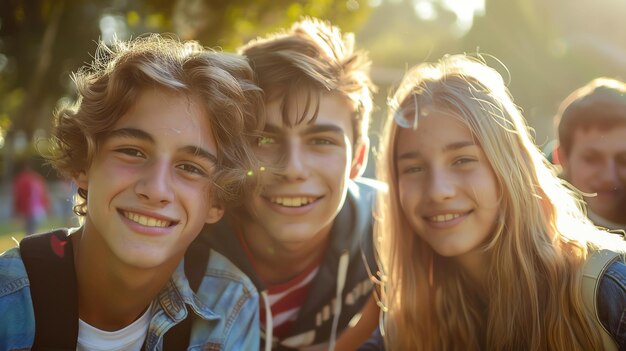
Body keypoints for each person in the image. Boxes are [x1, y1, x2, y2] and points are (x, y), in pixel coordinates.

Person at [0, 34, 263, 350]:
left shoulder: (227, 305)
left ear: (216, 201)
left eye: (191, 168)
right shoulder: (7, 300)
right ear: (84, 164)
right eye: (132, 151)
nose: (155, 189)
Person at [368, 55, 626, 350]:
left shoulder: (607, 289)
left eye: (462, 160)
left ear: (507, 168)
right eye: (414, 168)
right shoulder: (409, 319)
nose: (438, 191)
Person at [198, 17, 380, 350]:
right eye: (265, 140)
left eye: (321, 141)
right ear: (233, 151)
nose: (292, 169)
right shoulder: (186, 246)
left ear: (358, 159)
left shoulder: (396, 233)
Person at [554, 78, 626, 231]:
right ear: (561, 158)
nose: (609, 176)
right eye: (592, 159)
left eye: (624, 160)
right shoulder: (533, 237)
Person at [12, 158, 50, 235]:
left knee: (30, 232)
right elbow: (44, 194)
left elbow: (18, 197)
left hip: (28, 210)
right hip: (38, 210)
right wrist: (47, 207)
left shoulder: (20, 179)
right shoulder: (37, 178)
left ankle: (31, 245)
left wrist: (16, 211)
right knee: (34, 231)